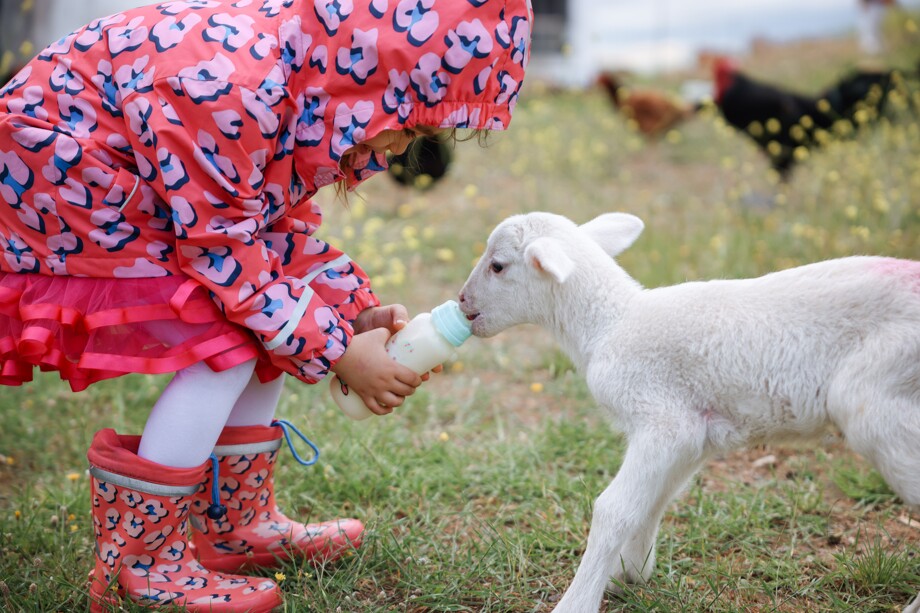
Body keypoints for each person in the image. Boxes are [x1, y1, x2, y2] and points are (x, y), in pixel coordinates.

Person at [0, 1, 532, 610]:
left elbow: (265, 231)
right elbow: (224, 250)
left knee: (259, 318)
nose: (391, 153)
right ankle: (142, 564)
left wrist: (351, 312)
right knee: (222, 338)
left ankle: (232, 528)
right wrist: (337, 351)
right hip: (63, 174)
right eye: (406, 127)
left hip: (141, 179)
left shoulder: (302, 79)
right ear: (369, 82)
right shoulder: (232, 90)